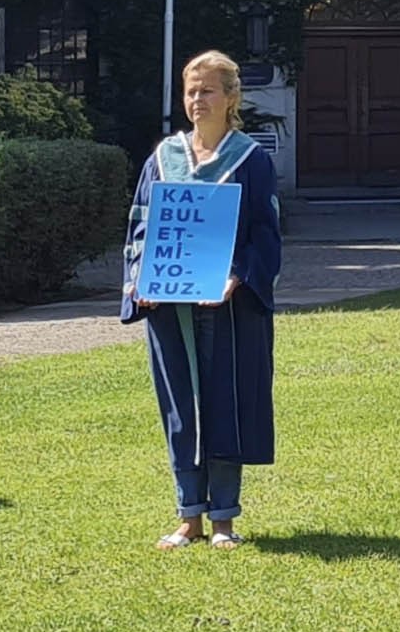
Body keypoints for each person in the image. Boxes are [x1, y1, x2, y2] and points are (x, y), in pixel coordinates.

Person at [121, 50, 282, 550]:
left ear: (231, 97)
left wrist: (239, 276)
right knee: (181, 407)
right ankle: (188, 515)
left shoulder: (250, 161)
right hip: (171, 309)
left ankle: (224, 520)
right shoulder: (163, 159)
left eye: (207, 90)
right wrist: (136, 279)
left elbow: (266, 234)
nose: (196, 100)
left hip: (229, 309)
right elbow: (141, 226)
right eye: (191, 91)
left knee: (225, 405)